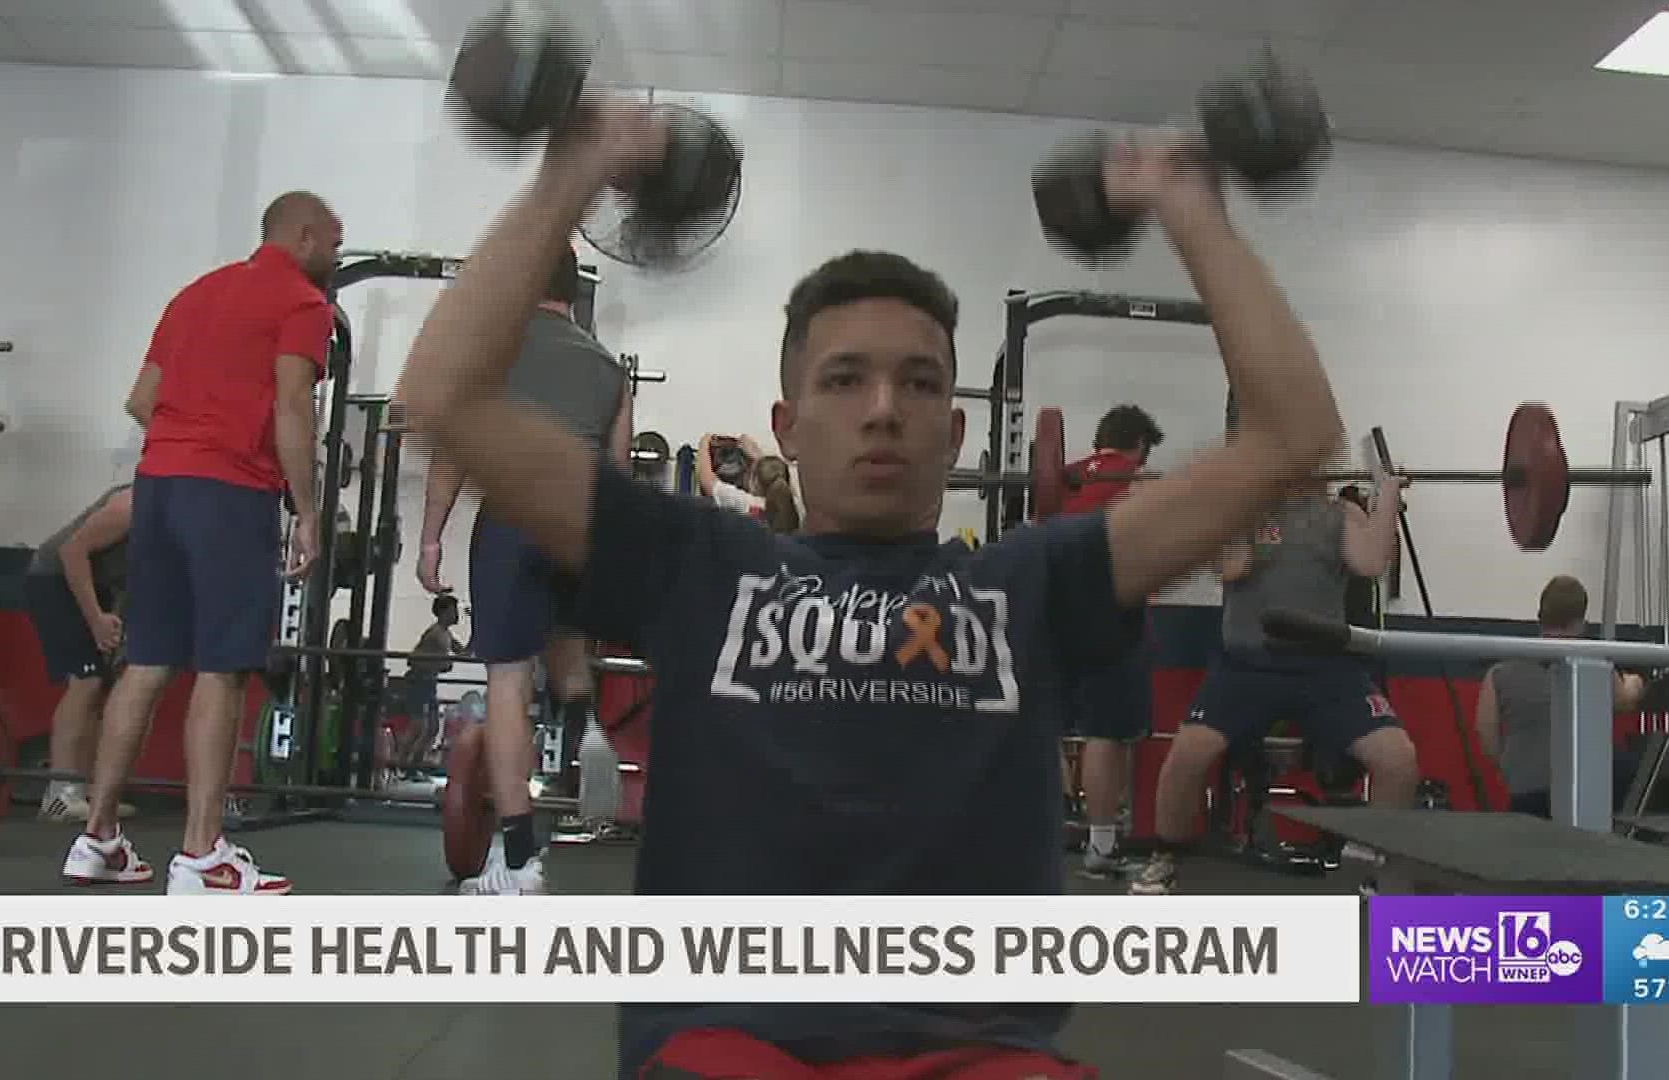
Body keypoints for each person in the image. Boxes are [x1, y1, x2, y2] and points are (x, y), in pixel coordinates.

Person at [393, 98, 1345, 1080]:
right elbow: (442, 397)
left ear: (959, 435)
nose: (884, 410)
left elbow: (1293, 436)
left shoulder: (1040, 580)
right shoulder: (694, 562)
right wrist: (572, 171)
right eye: (845, 380)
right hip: (729, 1050)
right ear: (788, 423)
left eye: (921, 384)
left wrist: (1191, 208)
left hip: (977, 1057)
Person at [60, 191, 340, 894]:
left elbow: (142, 399)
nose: (335, 259)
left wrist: (199, 419)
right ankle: (201, 854)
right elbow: (293, 410)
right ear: (305, 238)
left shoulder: (195, 295)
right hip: (231, 492)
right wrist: (307, 512)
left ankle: (96, 838)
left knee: (148, 660)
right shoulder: (304, 304)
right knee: (223, 670)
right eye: (334, 245)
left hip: (159, 485)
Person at [416, 241, 633, 897]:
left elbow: (454, 454)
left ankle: (517, 860)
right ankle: (581, 716)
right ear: (573, 293)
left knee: (507, 684)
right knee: (565, 639)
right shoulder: (608, 369)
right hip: (578, 525)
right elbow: (619, 475)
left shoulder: (493, 348)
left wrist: (431, 541)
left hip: (512, 520)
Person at [1133, 443, 1417, 897]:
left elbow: (1371, 562)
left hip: (1325, 668)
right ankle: (1168, 857)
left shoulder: (1342, 515)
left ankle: (1377, 869)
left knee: (1397, 759)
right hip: (1246, 666)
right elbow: (1231, 566)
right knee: (1186, 758)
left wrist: (1385, 496)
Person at [1057, 404, 1163, 880]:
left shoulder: (1065, 476)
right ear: (1139, 444)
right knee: (1108, 733)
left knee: (1054, 727)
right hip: (1113, 613)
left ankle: (1053, 826)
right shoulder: (1138, 479)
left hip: (1056, 612)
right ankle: (1100, 846)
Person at [1475, 574, 1647, 818]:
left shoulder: (1499, 672)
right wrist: (1636, 681)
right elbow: (1625, 700)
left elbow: (1486, 736)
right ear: (1580, 623)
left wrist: (1516, 767)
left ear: (1540, 617)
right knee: (1634, 773)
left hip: (1525, 795)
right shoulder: (1593, 664)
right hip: (1583, 797)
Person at [26, 482, 136, 822]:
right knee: (85, 680)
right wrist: (97, 620)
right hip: (56, 580)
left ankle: (91, 794)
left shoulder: (183, 512)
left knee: (103, 685)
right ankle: (60, 795)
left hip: (99, 587)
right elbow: (72, 552)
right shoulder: (133, 505)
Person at [401, 593, 467, 774]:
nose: (456, 614)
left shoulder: (447, 634)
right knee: (419, 726)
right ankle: (402, 766)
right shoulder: (434, 633)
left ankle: (413, 767)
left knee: (432, 728)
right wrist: (440, 664)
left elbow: (465, 653)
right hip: (418, 681)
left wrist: (479, 627)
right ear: (444, 612)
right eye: (453, 610)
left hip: (428, 683)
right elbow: (413, 660)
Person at [698, 433, 801, 532]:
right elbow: (774, 474)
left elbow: (707, 480)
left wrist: (705, 440)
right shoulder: (796, 503)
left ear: (754, 484)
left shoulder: (747, 504)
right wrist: (757, 455)